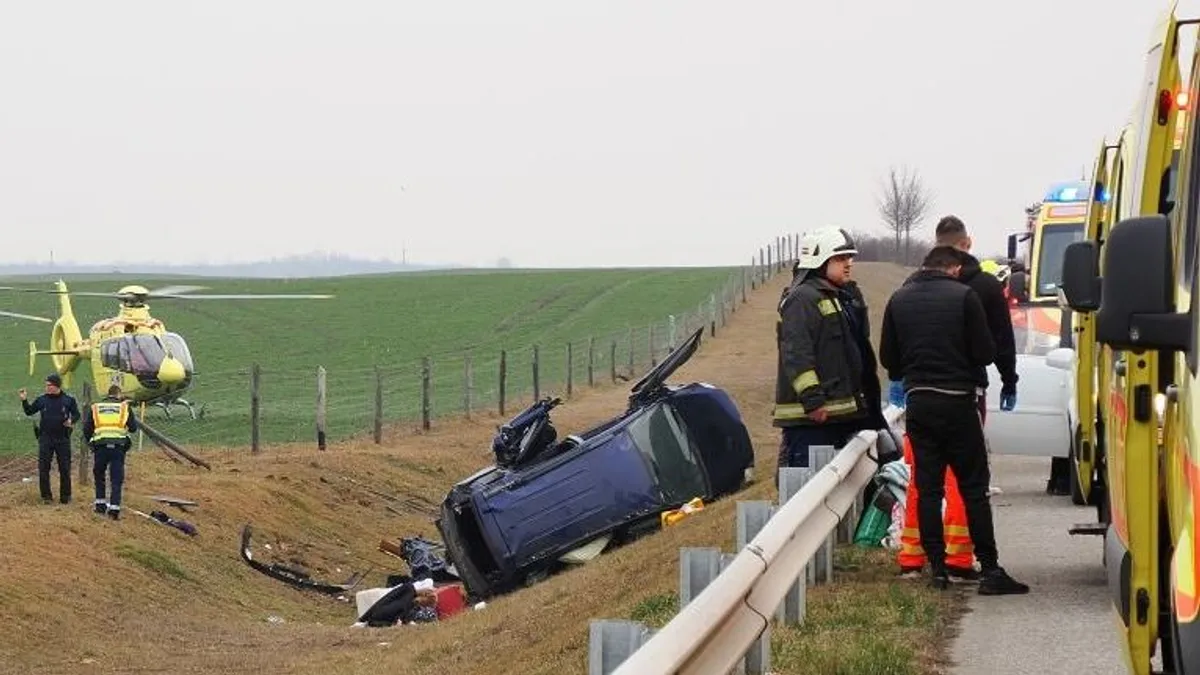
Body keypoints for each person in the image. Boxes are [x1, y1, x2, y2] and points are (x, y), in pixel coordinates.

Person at [879, 246, 1029, 594]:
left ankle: (937, 570)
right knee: (973, 488)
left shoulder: (899, 300)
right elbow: (984, 352)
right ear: (955, 268)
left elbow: (890, 358)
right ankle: (990, 570)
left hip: (920, 404)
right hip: (959, 402)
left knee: (927, 489)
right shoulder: (963, 296)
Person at [774, 227, 883, 482]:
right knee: (804, 490)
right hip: (812, 421)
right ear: (819, 260)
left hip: (839, 416)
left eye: (849, 258)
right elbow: (797, 353)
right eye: (841, 258)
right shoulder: (802, 299)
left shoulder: (837, 296)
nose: (849, 264)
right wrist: (813, 400)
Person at [20, 373, 81, 504]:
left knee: (64, 468)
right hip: (45, 439)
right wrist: (24, 400)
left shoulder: (68, 400)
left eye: (49, 385)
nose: (47, 387)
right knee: (43, 468)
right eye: (46, 385)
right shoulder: (42, 400)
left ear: (57, 386)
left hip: (63, 439)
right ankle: (46, 497)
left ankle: (65, 497)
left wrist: (71, 420)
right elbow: (29, 411)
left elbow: (77, 414)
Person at [82, 385, 139, 520]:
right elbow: (133, 428)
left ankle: (100, 505)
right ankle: (114, 509)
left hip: (100, 446)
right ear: (119, 395)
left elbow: (87, 429)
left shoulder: (96, 407)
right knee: (116, 479)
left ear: (107, 394)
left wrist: (91, 441)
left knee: (99, 475)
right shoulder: (124, 407)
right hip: (118, 447)